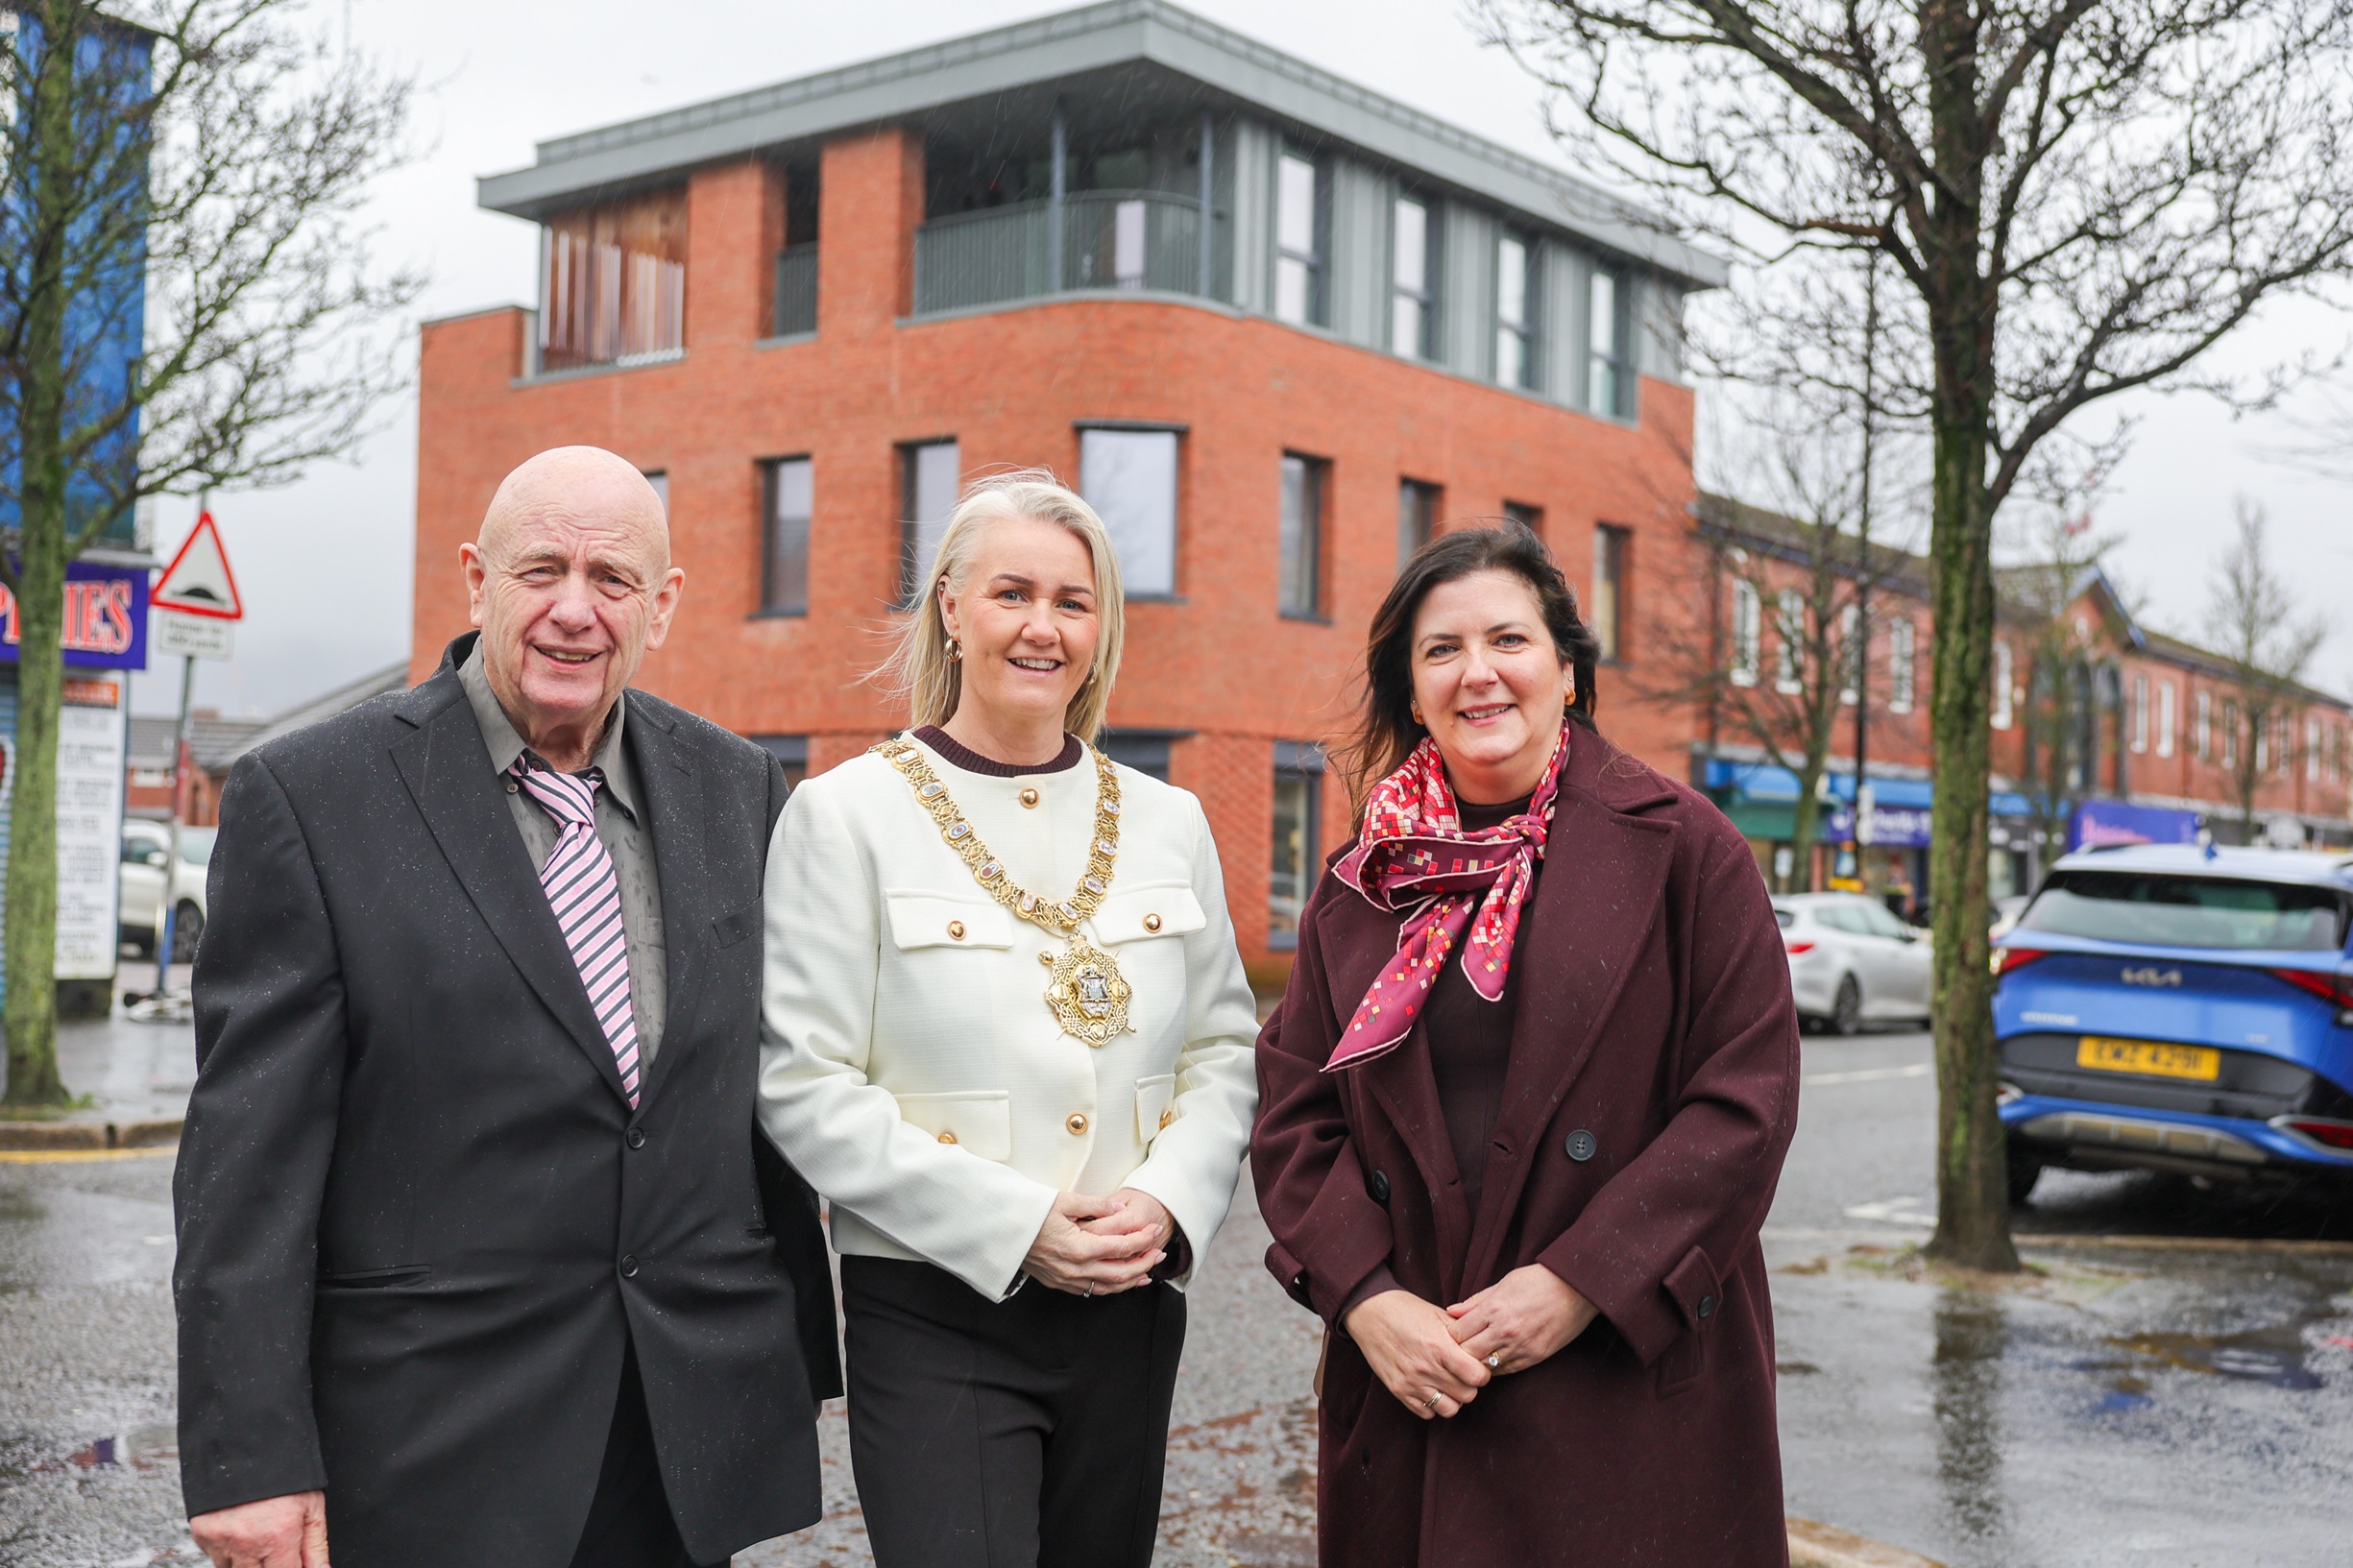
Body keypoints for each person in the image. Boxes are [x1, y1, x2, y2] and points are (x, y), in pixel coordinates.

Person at [174, 446, 838, 1568]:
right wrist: (252, 1455)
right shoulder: (313, 798)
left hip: (673, 1437)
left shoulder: (739, 789)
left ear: (662, 606)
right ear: (477, 578)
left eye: (612, 580)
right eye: (541, 570)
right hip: (427, 1447)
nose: (573, 610)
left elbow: (764, 1092)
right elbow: (247, 1162)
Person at [1249, 523, 1801, 1568]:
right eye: (1440, 649)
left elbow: (1745, 1102)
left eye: (1507, 639)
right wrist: (1366, 1303)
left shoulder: (1687, 848)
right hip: (1419, 1377)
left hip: (1620, 1373)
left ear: (1565, 667)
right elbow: (1291, 1115)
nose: (1477, 673)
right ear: (1410, 692)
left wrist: (1580, 1281)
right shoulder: (1358, 881)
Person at [759, 470, 1259, 1568]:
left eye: (1072, 602)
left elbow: (1223, 1049)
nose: (1042, 627)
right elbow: (803, 1081)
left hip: (1127, 1309)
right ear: (950, 606)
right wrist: (1016, 1221)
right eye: (1010, 594)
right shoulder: (844, 816)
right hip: (937, 1307)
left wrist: (1166, 1203)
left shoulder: (1169, 821)